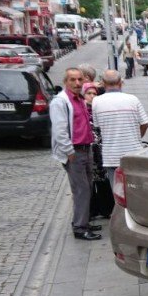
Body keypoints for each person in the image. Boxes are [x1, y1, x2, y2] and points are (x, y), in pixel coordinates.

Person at [49, 67, 101, 240]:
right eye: (73, 80)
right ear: (66, 81)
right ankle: (80, 227)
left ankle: (82, 221)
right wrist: (69, 152)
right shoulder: (61, 102)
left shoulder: (79, 99)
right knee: (82, 190)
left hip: (86, 149)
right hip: (75, 152)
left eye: (80, 79)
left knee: (86, 188)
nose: (77, 83)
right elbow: (59, 130)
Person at [92, 70, 148, 189]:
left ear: (103, 83)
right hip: (133, 153)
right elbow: (144, 123)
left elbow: (98, 126)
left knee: (117, 193)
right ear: (120, 82)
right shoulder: (133, 99)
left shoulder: (96, 102)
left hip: (111, 156)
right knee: (135, 191)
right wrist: (137, 137)